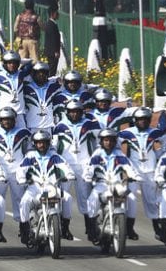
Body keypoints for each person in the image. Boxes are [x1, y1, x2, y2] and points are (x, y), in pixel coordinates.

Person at [15, 130, 75, 243]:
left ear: (49, 143)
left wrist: (69, 175)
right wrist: (21, 178)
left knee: (67, 198)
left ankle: (65, 227)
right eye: (39, 142)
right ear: (34, 144)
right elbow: (20, 169)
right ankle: (24, 230)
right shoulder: (30, 157)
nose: (41, 145)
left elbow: (66, 167)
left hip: (51, 187)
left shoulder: (55, 157)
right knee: (24, 202)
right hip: (34, 188)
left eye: (44, 142)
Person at [52, 101, 101, 240]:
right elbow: (54, 146)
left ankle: (90, 228)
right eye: (71, 111)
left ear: (82, 111)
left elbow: (99, 141)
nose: (74, 113)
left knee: (85, 196)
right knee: (63, 196)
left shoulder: (89, 124)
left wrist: (95, 158)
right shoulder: (60, 126)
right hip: (66, 164)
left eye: (77, 111)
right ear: (67, 112)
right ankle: (64, 228)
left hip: (84, 164)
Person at [119, 107, 166, 241]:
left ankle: (158, 230)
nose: (142, 122)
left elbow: (165, 145)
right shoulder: (127, 133)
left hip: (150, 171)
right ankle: (129, 228)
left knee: (152, 200)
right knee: (131, 199)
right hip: (133, 172)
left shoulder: (155, 132)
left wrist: (158, 155)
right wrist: (123, 161)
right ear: (135, 120)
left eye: (145, 120)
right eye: (140, 120)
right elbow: (115, 146)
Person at [83, 129, 140, 243]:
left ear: (115, 141)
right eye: (106, 140)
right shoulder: (97, 155)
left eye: (111, 140)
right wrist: (88, 176)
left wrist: (134, 175)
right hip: (101, 185)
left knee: (132, 198)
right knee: (92, 200)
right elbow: (89, 168)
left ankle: (129, 228)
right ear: (102, 141)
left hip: (118, 185)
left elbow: (129, 167)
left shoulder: (119, 155)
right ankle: (93, 230)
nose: (109, 143)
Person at [0, 108, 31, 221]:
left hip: (17, 171)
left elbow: (30, 150)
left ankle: (23, 226)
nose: (7, 122)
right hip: (1, 172)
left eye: (9, 119)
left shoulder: (23, 132)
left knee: (20, 199)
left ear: (14, 120)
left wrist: (27, 168)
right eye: (4, 119)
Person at [0, 51, 30, 127]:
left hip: (19, 114)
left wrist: (18, 59)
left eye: (14, 63)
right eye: (9, 63)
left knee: (22, 137)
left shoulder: (22, 74)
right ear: (4, 64)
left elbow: (31, 63)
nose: (12, 65)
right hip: (3, 114)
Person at [23, 62, 61, 131]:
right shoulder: (26, 88)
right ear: (33, 74)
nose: (41, 75)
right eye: (38, 73)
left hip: (49, 126)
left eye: (44, 73)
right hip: (31, 126)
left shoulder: (54, 87)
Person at [44, 5, 62, 73]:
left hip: (52, 52)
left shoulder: (52, 24)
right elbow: (53, 39)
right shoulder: (51, 25)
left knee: (53, 68)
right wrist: (55, 51)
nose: (58, 15)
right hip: (52, 52)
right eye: (56, 13)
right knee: (52, 69)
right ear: (52, 14)